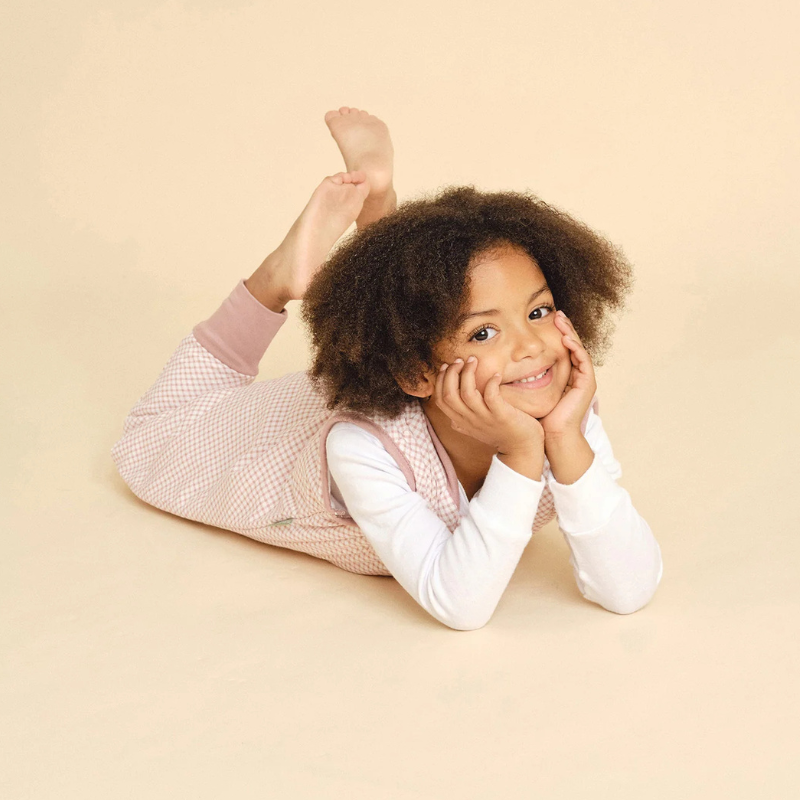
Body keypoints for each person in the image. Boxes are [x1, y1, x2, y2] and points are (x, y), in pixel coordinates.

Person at [111, 106, 663, 631]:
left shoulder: (561, 409)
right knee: (150, 434)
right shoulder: (364, 449)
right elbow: (460, 604)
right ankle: (276, 279)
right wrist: (521, 454)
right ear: (417, 375)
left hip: (382, 375)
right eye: (484, 333)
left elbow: (630, 588)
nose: (532, 346)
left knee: (407, 303)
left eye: (538, 312)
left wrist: (564, 439)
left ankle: (377, 203)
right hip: (253, 445)